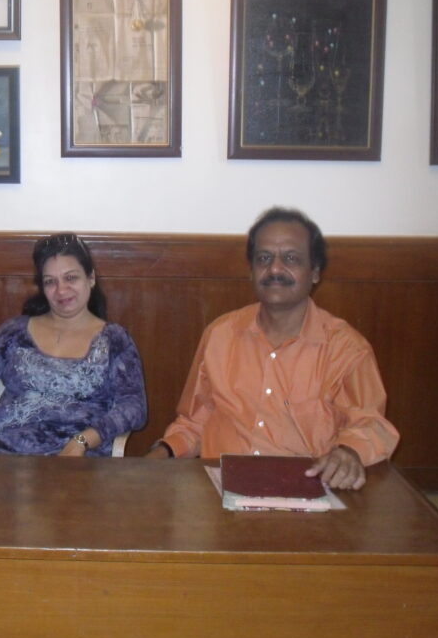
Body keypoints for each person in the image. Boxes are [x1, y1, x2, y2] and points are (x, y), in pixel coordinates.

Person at [147, 208, 399, 490]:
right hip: (221, 492)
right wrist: (162, 453)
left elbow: (371, 425)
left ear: (315, 272)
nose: (275, 269)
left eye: (291, 258)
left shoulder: (346, 348)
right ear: (251, 271)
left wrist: (349, 452)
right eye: (264, 258)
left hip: (305, 490)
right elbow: (195, 421)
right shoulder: (220, 335)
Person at [0, 233, 146, 456]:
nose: (61, 290)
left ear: (90, 278)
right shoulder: (13, 333)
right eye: (50, 281)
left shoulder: (114, 340)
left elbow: (133, 407)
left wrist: (83, 440)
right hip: (3, 459)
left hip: (77, 463)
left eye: (71, 278)